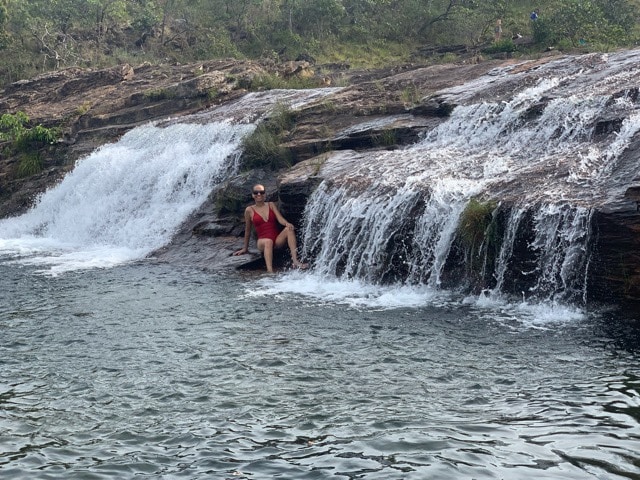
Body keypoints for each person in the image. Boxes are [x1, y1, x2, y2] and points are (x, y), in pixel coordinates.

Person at [233, 184, 308, 272]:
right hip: (262, 242)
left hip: (276, 240)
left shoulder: (271, 205)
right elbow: (248, 230)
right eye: (256, 192)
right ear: (252, 195)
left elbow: (280, 219)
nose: (259, 194)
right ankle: (270, 271)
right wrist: (245, 248)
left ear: (265, 194)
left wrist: (287, 223)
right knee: (268, 241)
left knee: (289, 229)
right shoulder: (249, 210)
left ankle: (295, 261)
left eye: (261, 192)